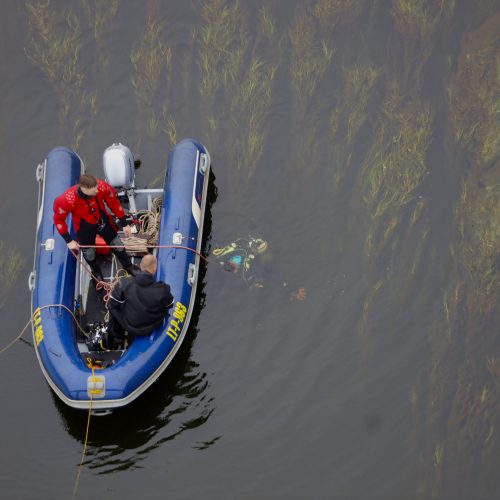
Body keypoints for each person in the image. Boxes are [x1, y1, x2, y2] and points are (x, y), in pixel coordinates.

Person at [53, 173, 136, 280]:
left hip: (102, 220)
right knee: (89, 254)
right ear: (84, 189)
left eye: (97, 187)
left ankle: (128, 266)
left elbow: (114, 204)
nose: (97, 190)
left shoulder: (102, 187)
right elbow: (58, 220)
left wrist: (124, 224)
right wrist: (69, 241)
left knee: (117, 244)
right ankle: (96, 272)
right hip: (84, 227)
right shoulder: (67, 199)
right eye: (94, 189)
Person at [107, 254, 174, 346]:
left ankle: (117, 336)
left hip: (130, 326)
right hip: (152, 326)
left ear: (140, 267)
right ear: (155, 269)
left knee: (114, 306)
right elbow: (170, 305)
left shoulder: (125, 283)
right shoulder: (162, 290)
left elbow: (112, 304)